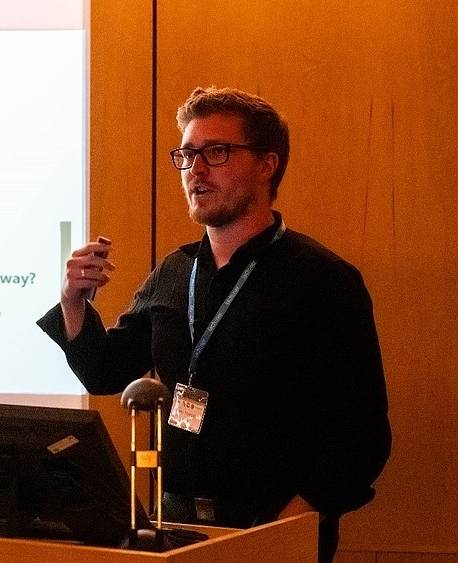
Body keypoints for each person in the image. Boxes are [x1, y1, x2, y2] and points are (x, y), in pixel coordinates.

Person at [37, 86, 391, 563]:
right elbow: (105, 373)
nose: (195, 170)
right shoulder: (174, 273)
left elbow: (363, 436)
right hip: (173, 528)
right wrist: (72, 300)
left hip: (273, 530)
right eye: (186, 155)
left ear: (267, 165)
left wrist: (289, 524)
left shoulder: (322, 279)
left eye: (216, 152)